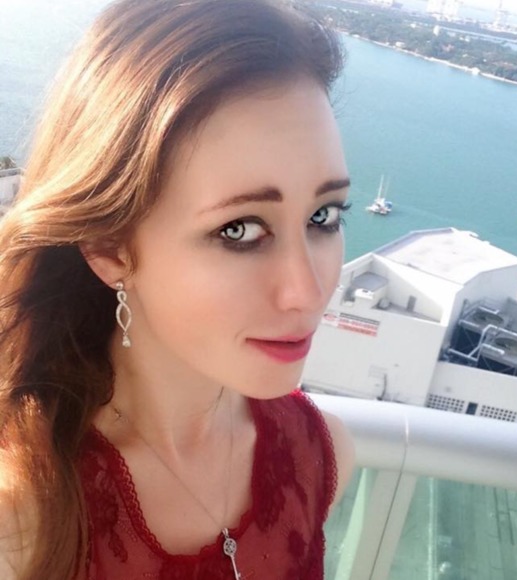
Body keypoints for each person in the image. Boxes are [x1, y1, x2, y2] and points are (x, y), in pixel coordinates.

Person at [0, 0, 355, 578]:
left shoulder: (321, 457)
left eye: (324, 216)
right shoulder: (20, 517)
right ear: (109, 248)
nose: (306, 291)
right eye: (239, 230)